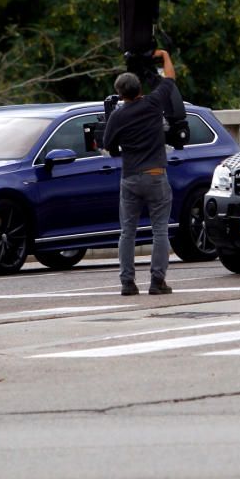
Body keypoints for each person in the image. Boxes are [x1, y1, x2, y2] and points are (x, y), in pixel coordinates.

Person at [103, 50, 178, 296]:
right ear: (139, 90)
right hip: (156, 174)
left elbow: (109, 146)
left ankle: (127, 282)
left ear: (121, 94)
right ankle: (157, 281)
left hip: (130, 177)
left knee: (128, 232)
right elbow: (170, 79)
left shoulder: (117, 115)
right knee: (159, 230)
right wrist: (164, 55)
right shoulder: (153, 103)